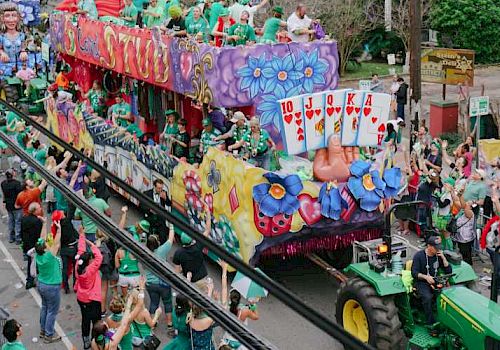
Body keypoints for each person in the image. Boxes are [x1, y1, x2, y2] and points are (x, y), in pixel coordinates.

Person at [411, 236, 452, 325]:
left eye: (438, 248)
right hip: (422, 282)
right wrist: (426, 277)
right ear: (429, 246)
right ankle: (430, 322)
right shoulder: (419, 256)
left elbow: (448, 271)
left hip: (436, 280)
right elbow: (414, 273)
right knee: (427, 297)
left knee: (447, 296)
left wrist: (444, 259)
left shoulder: (438, 256)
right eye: (435, 248)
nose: (437, 250)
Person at [91, 285, 145, 350]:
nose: (105, 322)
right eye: (105, 324)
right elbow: (139, 305)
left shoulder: (94, 342)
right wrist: (141, 289)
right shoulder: (113, 342)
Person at [75, 226, 103, 349]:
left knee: (85, 320)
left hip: (82, 298)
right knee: (96, 321)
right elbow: (99, 258)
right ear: (89, 262)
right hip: (93, 299)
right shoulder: (91, 270)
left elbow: (80, 251)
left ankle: (86, 340)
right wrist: (92, 245)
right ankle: (96, 339)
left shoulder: (78, 268)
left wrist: (82, 236)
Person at [220, 262, 258, 349]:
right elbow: (256, 317)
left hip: (228, 340)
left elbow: (224, 287)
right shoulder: (245, 310)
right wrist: (254, 305)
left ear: (230, 297)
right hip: (241, 342)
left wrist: (224, 270)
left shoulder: (225, 306)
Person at [35, 221, 62, 344]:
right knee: (52, 311)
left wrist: (44, 224)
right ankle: (49, 335)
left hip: (41, 284)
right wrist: (59, 230)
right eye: (46, 243)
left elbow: (41, 238)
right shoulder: (49, 256)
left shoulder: (38, 253)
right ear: (45, 248)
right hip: (52, 286)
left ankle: (43, 330)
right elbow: (56, 243)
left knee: (45, 307)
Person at [145, 229, 175, 336]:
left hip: (150, 284)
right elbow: (170, 239)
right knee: (167, 302)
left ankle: (152, 322)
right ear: (157, 243)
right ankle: (169, 323)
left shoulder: (144, 252)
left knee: (154, 302)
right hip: (163, 283)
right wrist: (171, 226)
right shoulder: (162, 250)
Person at [173, 204, 211, 288]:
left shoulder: (178, 253)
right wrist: (208, 212)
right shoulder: (198, 246)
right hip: (202, 279)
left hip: (190, 282)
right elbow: (208, 229)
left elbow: (177, 271)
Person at [21, 202, 43, 289]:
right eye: (39, 208)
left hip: (27, 244)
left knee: (31, 262)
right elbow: (39, 235)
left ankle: (30, 280)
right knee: (34, 263)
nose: (41, 209)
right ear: (35, 211)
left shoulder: (24, 219)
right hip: (35, 245)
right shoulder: (37, 221)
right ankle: (31, 280)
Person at [58, 210, 79, 294]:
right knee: (75, 268)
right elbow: (74, 233)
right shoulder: (68, 222)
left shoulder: (58, 226)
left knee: (65, 268)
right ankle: (75, 286)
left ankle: (66, 287)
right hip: (73, 248)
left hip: (64, 249)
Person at [144, 178, 171, 242]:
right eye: (159, 188)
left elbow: (169, 204)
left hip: (160, 218)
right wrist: (149, 209)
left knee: (163, 237)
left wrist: (165, 198)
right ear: (154, 186)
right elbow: (142, 205)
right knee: (150, 238)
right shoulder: (147, 193)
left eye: (161, 188)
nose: (160, 190)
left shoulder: (164, 193)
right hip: (151, 217)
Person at [1, 168, 22, 244]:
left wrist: (4, 202)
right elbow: (20, 194)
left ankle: (11, 237)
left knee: (11, 220)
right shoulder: (17, 183)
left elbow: (4, 194)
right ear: (12, 174)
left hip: (8, 205)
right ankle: (17, 238)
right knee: (17, 221)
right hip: (17, 205)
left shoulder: (3, 183)